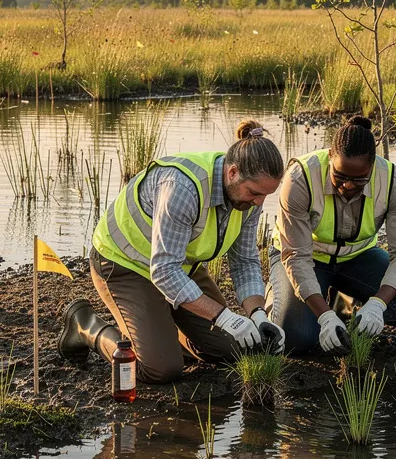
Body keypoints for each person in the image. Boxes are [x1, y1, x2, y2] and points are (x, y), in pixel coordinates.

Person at [60, 120, 286, 384]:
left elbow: (245, 260)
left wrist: (257, 314)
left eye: (266, 195)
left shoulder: (249, 196)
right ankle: (85, 325)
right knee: (161, 369)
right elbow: (165, 272)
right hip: (124, 265)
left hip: (178, 266)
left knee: (232, 349)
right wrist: (224, 317)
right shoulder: (183, 188)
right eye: (255, 193)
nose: (260, 202)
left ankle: (162, 328)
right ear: (233, 172)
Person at [269, 116, 396, 355]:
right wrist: (324, 316)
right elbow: (296, 258)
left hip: (358, 258)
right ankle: (292, 302)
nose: (348, 186)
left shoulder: (393, 182)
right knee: (297, 338)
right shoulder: (300, 178)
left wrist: (378, 305)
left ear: (373, 165)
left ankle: (348, 305)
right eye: (340, 176)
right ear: (330, 157)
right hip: (306, 258)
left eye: (359, 179)